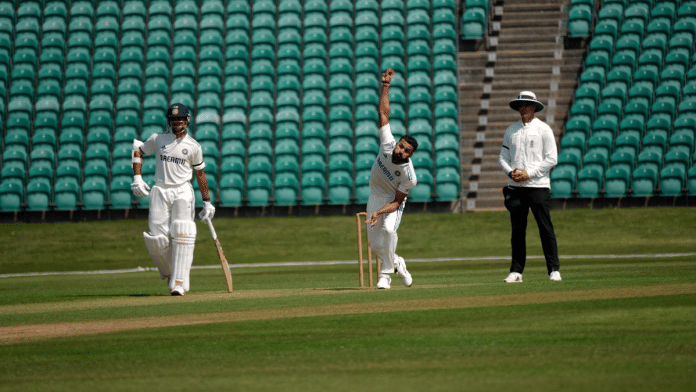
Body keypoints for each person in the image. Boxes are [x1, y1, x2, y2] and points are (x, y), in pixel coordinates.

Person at [131, 103, 216, 295]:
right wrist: (137, 177)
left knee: (182, 232)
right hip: (160, 189)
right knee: (157, 238)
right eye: (173, 119)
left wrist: (207, 202)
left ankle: (179, 282)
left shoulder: (193, 146)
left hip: (182, 191)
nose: (176, 122)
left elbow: (200, 174)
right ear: (168, 121)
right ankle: (172, 273)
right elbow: (138, 149)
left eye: (179, 119)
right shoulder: (158, 138)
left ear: (187, 120)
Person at [499, 91, 561, 283]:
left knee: (545, 228)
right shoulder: (511, 130)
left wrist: (529, 173)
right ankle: (516, 271)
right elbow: (503, 157)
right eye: (520, 105)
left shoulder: (544, 129)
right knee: (517, 231)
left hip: (538, 186)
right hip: (516, 188)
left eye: (526, 104)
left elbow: (552, 158)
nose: (523, 108)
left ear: (534, 107)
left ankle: (553, 269)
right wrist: (511, 173)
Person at [365, 69, 419, 289]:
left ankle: (386, 274)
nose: (400, 151)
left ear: (410, 155)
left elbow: (397, 202)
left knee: (388, 230)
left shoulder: (409, 176)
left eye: (406, 151)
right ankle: (398, 262)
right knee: (374, 244)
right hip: (375, 194)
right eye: (401, 146)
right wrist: (385, 86)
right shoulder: (388, 143)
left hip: (391, 200)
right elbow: (383, 115)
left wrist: (379, 212)